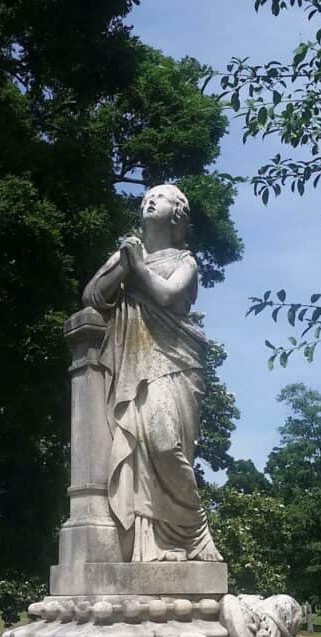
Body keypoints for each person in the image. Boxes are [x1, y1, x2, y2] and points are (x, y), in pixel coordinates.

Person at [83, 184, 222, 562]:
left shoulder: (186, 261)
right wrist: (123, 266)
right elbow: (93, 295)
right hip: (135, 362)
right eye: (145, 197)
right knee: (141, 450)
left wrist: (136, 267)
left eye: (159, 197)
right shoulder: (129, 253)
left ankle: (193, 531)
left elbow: (166, 296)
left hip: (174, 362)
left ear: (178, 213)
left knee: (165, 445)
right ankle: (154, 545)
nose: (148, 200)